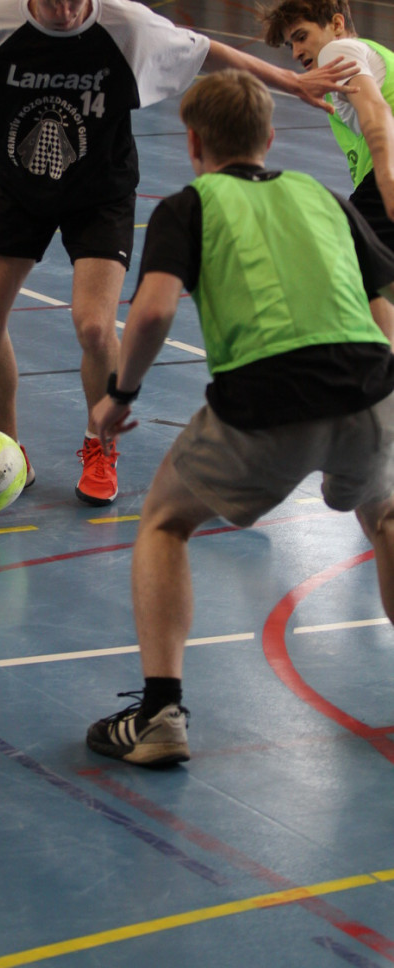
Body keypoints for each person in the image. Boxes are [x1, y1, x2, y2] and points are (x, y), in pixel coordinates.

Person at [0, 0, 359, 505]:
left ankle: (100, 448)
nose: (64, 11)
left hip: (101, 191)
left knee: (94, 327)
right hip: (19, 188)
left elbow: (207, 52)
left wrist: (289, 83)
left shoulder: (126, 25)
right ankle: (7, 455)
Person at [86, 70, 394, 768]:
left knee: (165, 521)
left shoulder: (188, 206)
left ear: (193, 143)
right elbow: (382, 309)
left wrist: (119, 396)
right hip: (371, 389)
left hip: (267, 399)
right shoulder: (323, 196)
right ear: (271, 138)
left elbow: (154, 312)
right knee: (385, 515)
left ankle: (160, 713)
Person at [259, 0, 394, 340]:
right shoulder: (367, 56)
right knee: (373, 276)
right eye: (290, 44)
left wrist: (387, 179)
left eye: (301, 36)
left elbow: (376, 112)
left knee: (330, 258)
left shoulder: (339, 52)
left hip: (385, 178)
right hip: (376, 181)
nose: (295, 52)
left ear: (336, 24)